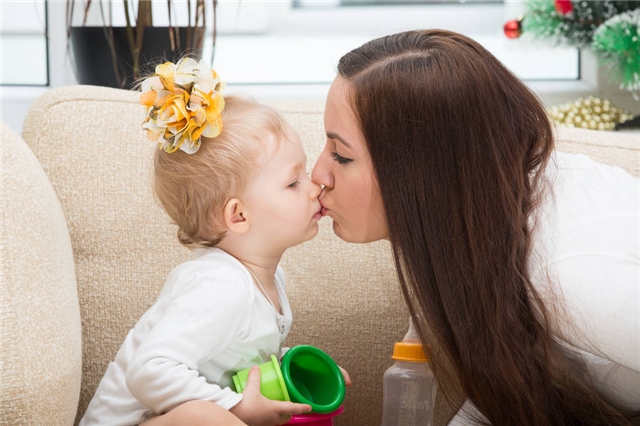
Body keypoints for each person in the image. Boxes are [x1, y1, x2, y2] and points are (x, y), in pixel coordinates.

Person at [311, 29, 640, 425]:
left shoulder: (572, 275)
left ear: (425, 171)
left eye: (341, 156)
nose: (318, 175)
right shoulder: (483, 231)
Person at [80, 57, 337, 426]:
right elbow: (149, 371)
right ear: (239, 216)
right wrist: (234, 408)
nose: (314, 187)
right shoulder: (220, 285)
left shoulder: (266, 279)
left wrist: (297, 380)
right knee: (204, 415)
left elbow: (236, 366)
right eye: (293, 183)